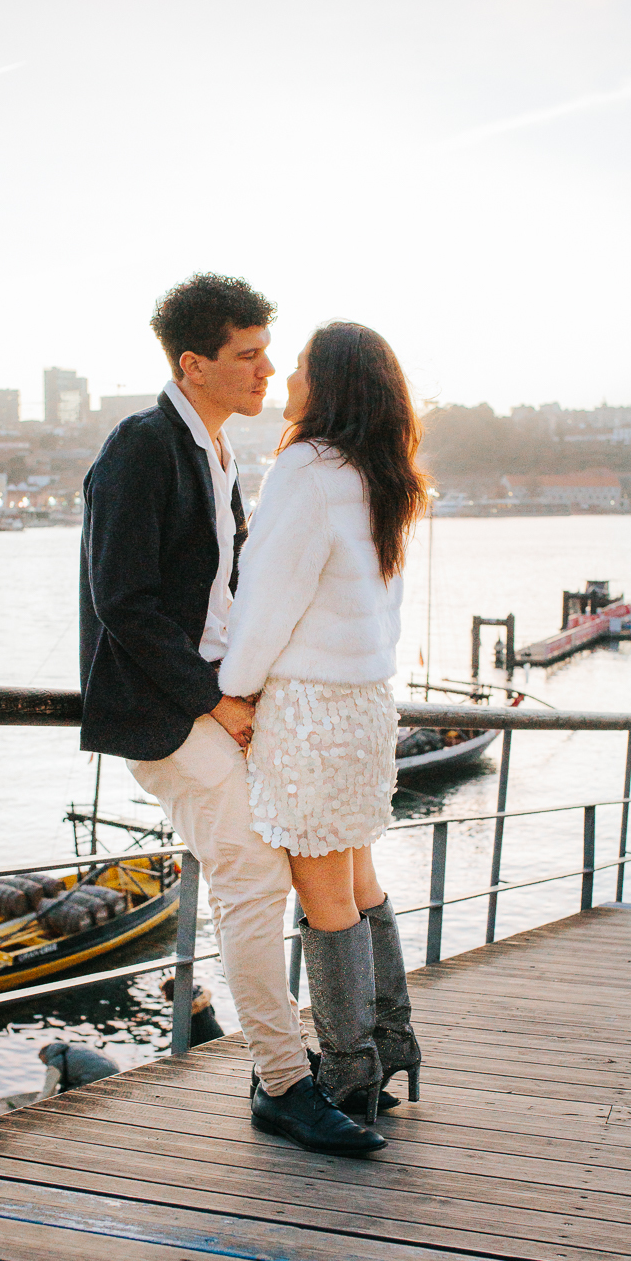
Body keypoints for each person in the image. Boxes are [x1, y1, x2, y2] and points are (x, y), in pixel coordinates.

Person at [80, 274, 383, 1156]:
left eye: (266, 352)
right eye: (247, 355)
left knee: (273, 870)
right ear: (194, 364)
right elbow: (122, 603)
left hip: (215, 703)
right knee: (254, 874)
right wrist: (216, 698)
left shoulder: (218, 453)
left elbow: (232, 595)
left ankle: (294, 1069)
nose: (267, 370)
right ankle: (285, 1085)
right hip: (166, 712)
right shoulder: (139, 448)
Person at [219, 322, 428, 1128]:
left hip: (309, 707)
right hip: (368, 704)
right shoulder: (386, 476)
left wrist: (234, 690)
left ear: (330, 385)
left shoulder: (306, 469)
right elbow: (388, 608)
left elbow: (269, 599)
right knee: (357, 877)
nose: (288, 376)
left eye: (301, 365)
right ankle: (391, 1041)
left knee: (321, 892)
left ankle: (346, 1070)